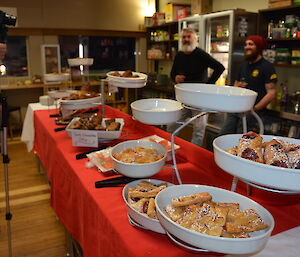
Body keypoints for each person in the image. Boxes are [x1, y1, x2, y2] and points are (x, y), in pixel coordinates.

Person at [167, 28, 225, 147]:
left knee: (198, 131)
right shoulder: (179, 55)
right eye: (184, 37)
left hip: (200, 99)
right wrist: (176, 77)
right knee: (171, 125)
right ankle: (169, 149)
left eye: (189, 37)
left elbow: (220, 68)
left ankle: (194, 154)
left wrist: (208, 86)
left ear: (195, 39)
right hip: (183, 98)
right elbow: (172, 73)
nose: (186, 39)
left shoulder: (200, 54)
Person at [219, 35, 277, 135]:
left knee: (241, 140)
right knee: (223, 135)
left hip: (252, 113)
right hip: (236, 109)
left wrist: (254, 109)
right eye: (246, 44)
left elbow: (271, 93)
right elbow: (236, 84)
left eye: (251, 44)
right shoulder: (244, 65)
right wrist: (237, 87)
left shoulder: (267, 66)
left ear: (258, 47)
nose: (247, 47)